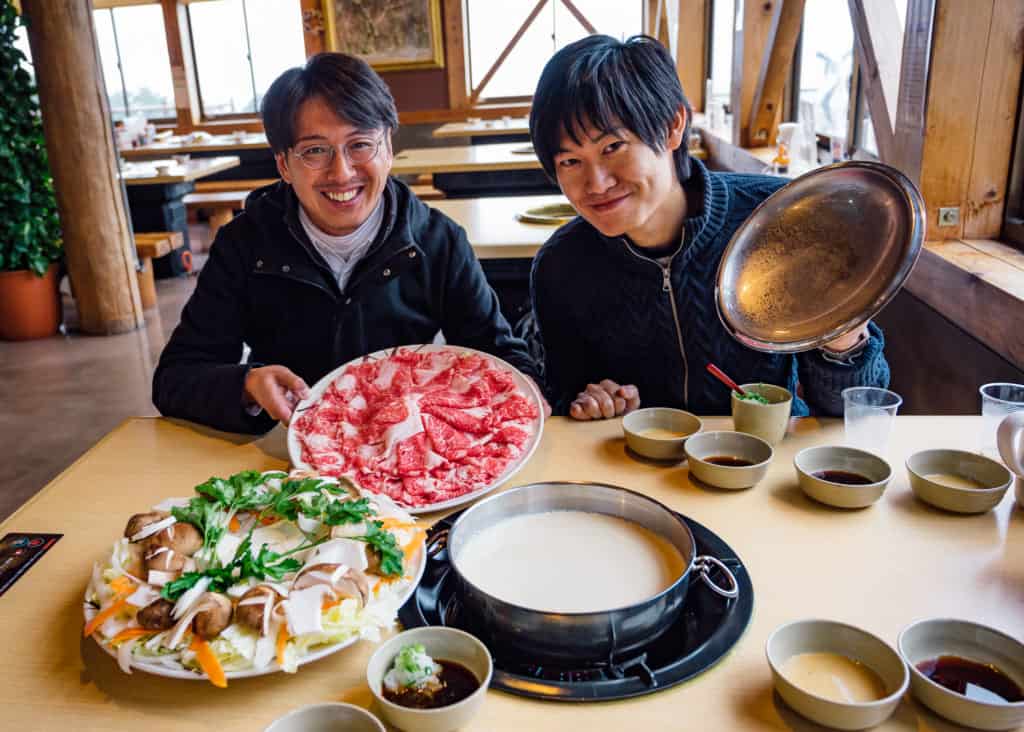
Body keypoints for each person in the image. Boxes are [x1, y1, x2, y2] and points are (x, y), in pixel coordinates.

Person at [153, 53, 544, 434]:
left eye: (360, 145)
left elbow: (501, 357)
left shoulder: (437, 241)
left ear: (388, 149)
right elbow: (176, 376)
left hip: (404, 446)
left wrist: (525, 386)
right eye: (314, 151)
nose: (341, 173)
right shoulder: (245, 244)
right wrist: (246, 386)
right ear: (284, 165)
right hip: (288, 457)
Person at [528, 35, 889, 420]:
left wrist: (842, 338)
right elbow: (565, 400)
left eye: (612, 148)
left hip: (765, 458)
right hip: (636, 466)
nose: (597, 183)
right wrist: (593, 402)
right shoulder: (561, 266)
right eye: (570, 162)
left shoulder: (778, 222)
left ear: (672, 126)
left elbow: (857, 409)